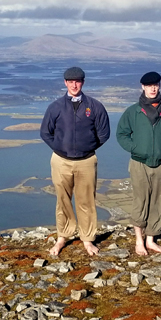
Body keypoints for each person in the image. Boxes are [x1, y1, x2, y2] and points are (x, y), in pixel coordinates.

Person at [40, 66, 110, 257]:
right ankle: (63, 236)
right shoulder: (55, 107)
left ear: (83, 82)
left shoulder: (95, 106)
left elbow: (104, 134)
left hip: (87, 161)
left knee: (86, 201)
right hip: (60, 161)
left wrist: (87, 148)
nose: (74, 85)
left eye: (77, 81)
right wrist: (60, 148)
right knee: (62, 200)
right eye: (70, 81)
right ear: (65, 83)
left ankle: (88, 239)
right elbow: (45, 132)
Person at [116, 71, 161, 256]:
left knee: (157, 201)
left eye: (155, 85)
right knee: (140, 200)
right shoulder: (133, 111)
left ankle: (151, 239)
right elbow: (121, 134)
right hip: (139, 163)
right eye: (149, 85)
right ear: (143, 87)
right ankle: (139, 240)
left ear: (160, 86)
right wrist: (136, 148)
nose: (153, 88)